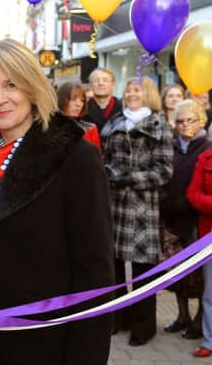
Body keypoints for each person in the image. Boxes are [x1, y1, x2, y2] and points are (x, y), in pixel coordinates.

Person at [0, 39, 114, 365]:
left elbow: (95, 273)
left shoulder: (75, 156)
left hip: (47, 344)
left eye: (11, 85)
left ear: (31, 86)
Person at [100, 76, 173, 346]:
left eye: (136, 90)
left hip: (143, 209)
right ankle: (118, 319)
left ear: (149, 94)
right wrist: (108, 174)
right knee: (115, 268)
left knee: (144, 273)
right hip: (115, 205)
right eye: (128, 89)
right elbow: (104, 158)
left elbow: (164, 171)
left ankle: (144, 326)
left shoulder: (160, 124)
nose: (130, 94)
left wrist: (130, 178)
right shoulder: (114, 123)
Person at [160, 99, 211, 340]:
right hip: (172, 217)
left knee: (199, 275)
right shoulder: (170, 146)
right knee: (177, 271)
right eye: (179, 120)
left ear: (201, 120)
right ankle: (182, 316)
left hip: (197, 220)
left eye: (189, 119)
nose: (184, 125)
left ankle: (200, 320)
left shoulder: (206, 147)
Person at [187, 133, 212, 358]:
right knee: (210, 292)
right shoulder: (205, 159)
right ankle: (209, 340)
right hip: (209, 237)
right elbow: (193, 194)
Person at [57, 82, 101, 150]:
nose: (79, 104)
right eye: (73, 99)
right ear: (61, 99)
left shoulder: (90, 128)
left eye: (82, 100)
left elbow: (96, 156)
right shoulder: (48, 127)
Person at [84, 68, 122, 132]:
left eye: (105, 80)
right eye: (96, 80)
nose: (101, 83)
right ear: (90, 85)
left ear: (113, 85)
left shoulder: (123, 109)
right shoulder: (82, 110)